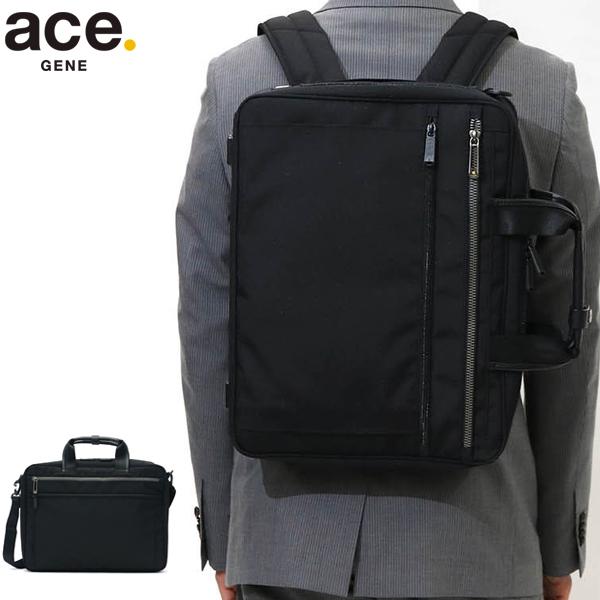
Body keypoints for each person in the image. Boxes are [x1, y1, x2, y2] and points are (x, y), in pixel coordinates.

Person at [176, 2, 599, 599]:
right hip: (475, 547)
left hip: (284, 545)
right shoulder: (543, 84)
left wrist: (224, 539)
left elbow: (207, 322)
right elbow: (570, 338)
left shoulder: (239, 76)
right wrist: (558, 545)